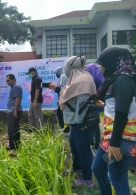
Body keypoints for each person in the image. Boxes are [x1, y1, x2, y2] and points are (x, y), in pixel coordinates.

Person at [90, 47, 136, 195]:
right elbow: (121, 106)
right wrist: (105, 105)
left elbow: (122, 113)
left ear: (113, 62)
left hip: (121, 140)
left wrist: (115, 143)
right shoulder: (116, 79)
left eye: (102, 64)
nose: (100, 68)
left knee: (117, 179)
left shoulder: (123, 80)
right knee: (97, 168)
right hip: (110, 139)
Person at [59, 55, 96, 187]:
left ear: (71, 67)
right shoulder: (77, 78)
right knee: (74, 147)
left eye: (66, 66)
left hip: (81, 123)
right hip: (74, 122)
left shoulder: (82, 80)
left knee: (83, 149)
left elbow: (82, 103)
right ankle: (77, 168)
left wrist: (80, 122)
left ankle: (87, 179)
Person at [85, 64, 104, 150]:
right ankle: (93, 142)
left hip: (96, 103)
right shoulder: (98, 78)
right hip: (95, 103)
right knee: (93, 122)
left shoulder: (95, 79)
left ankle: (96, 144)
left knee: (95, 123)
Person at [50, 67, 69, 133]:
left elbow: (62, 89)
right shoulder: (64, 76)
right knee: (62, 113)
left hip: (64, 99)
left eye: (56, 73)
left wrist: (60, 100)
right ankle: (65, 128)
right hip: (64, 98)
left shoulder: (63, 76)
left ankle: (65, 129)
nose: (56, 75)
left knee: (61, 114)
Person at [6, 74, 23, 150]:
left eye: (8, 80)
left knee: (12, 129)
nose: (7, 82)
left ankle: (13, 147)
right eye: (6, 81)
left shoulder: (16, 87)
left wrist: (15, 110)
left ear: (13, 79)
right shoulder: (14, 87)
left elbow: (17, 98)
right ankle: (16, 145)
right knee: (14, 128)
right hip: (12, 110)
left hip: (14, 111)